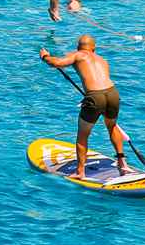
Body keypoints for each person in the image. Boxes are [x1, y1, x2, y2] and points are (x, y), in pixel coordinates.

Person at [40, 34, 127, 178]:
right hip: (112, 93)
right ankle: (122, 163)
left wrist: (45, 57)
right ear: (94, 48)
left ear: (78, 47)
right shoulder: (102, 60)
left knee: (82, 135)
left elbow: (56, 63)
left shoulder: (78, 55)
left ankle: (80, 172)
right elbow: (101, 83)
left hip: (94, 97)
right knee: (112, 126)